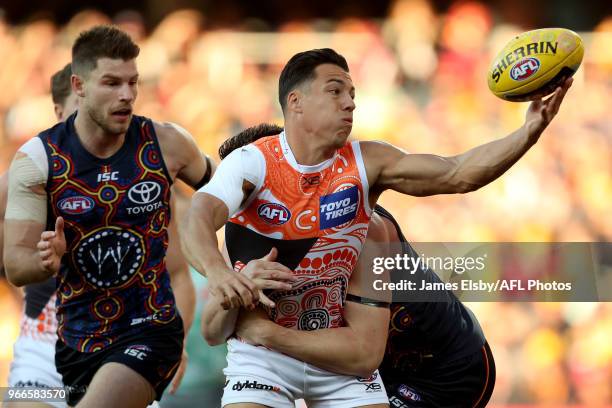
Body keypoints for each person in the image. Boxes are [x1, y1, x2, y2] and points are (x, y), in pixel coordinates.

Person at [184, 48, 571, 407]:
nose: (351, 102)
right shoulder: (252, 172)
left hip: (443, 364)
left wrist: (528, 131)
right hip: (349, 354)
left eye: (352, 92)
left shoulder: (368, 203)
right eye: (336, 91)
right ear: (295, 103)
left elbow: (457, 173)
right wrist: (221, 277)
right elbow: (200, 223)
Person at [212, 124, 496, 408]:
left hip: (445, 369)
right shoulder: (244, 234)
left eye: (241, 183)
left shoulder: (357, 225)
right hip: (375, 368)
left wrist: (268, 334)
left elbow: (362, 352)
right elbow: (214, 330)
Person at [3, 25, 211, 408]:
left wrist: (177, 338)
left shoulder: (156, 157)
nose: (126, 97)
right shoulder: (33, 168)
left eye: (132, 84)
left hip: (139, 336)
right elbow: (15, 263)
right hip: (45, 346)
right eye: (112, 84)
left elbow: (179, 269)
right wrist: (40, 261)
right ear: (65, 106)